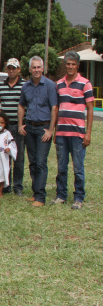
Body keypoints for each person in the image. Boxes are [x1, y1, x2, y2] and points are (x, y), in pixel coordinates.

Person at [51, 51, 94, 210]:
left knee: (78, 168)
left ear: (78, 65)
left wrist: (88, 133)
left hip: (77, 134)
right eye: (67, 64)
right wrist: (55, 131)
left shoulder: (85, 83)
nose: (70, 66)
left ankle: (78, 198)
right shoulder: (59, 84)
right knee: (61, 167)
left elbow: (90, 109)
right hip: (62, 133)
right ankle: (61, 195)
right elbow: (56, 108)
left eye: (73, 64)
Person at [18, 56, 58, 207]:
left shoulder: (50, 85)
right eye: (33, 67)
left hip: (43, 128)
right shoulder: (26, 86)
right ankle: (35, 192)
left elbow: (54, 107)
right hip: (30, 127)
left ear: (43, 68)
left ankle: (41, 197)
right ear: (29, 69)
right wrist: (21, 124)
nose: (36, 70)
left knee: (41, 162)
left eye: (39, 67)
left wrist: (50, 130)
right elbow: (21, 105)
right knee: (33, 162)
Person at [0, 58, 26, 195]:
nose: (11, 70)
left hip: (19, 126)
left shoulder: (25, 85)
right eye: (9, 68)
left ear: (19, 69)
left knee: (18, 156)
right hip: (5, 128)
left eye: (14, 68)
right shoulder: (0, 86)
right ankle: (6, 185)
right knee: (5, 156)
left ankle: (18, 186)